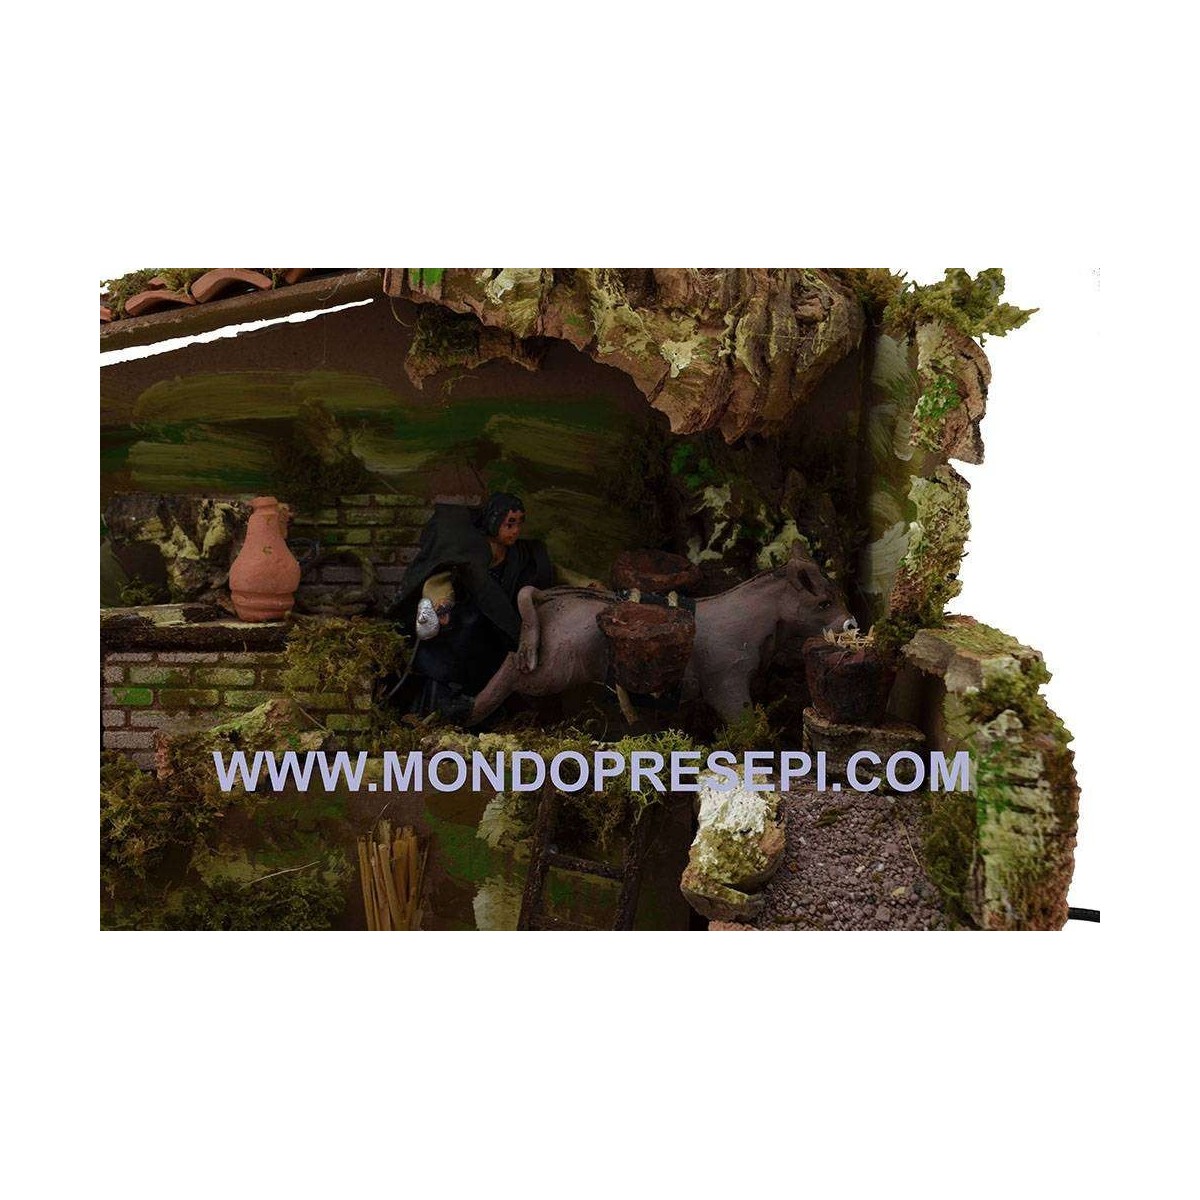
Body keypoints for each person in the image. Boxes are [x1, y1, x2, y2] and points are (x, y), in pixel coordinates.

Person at [385, 492, 597, 720]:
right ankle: (440, 709)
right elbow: (439, 580)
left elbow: (553, 570)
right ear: (493, 521)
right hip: (464, 622)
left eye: (519, 523)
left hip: (498, 627)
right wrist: (441, 605)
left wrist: (585, 583)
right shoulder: (470, 550)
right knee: (451, 649)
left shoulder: (523, 554)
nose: (515, 530)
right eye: (509, 524)